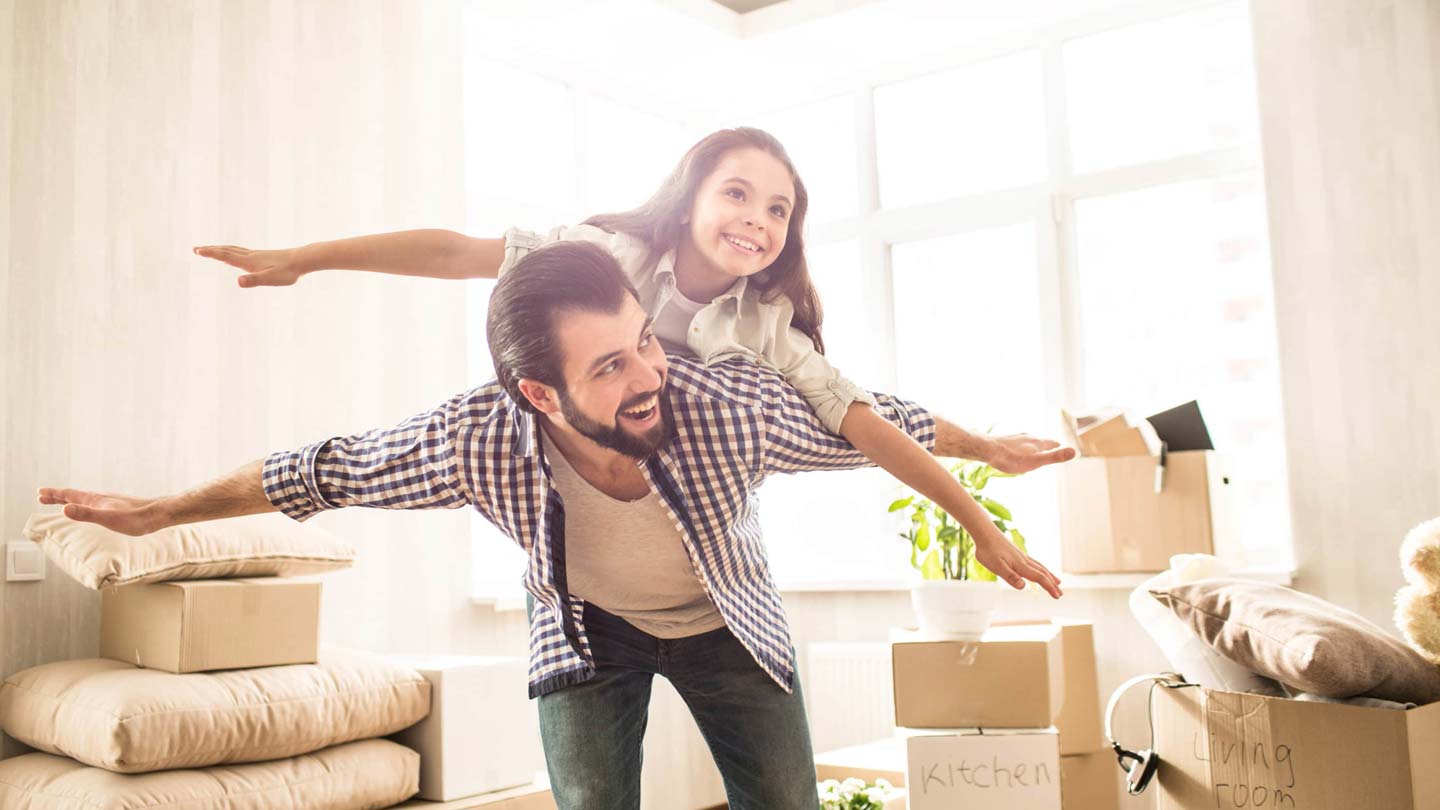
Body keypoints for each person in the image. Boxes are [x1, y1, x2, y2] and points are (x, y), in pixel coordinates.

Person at [41, 242, 1058, 810]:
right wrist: (165, 510)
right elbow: (322, 470)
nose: (646, 376)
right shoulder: (472, 440)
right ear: (538, 391)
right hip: (588, 636)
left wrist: (987, 452)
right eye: (607, 368)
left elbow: (868, 424)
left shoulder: (723, 405)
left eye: (640, 346)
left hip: (728, 624)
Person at [194, 126, 1075, 592]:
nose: (757, 222)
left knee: (836, 410)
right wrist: (305, 257)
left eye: (779, 210)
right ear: (688, 196)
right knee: (418, 440)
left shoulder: (766, 322)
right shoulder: (605, 255)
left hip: (691, 500)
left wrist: (980, 509)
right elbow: (459, 253)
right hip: (576, 466)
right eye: (737, 193)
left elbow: (860, 419)